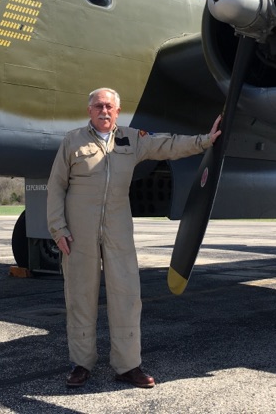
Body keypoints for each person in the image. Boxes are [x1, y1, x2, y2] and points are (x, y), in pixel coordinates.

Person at [47, 87, 221, 389]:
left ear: (118, 111)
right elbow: (56, 187)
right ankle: (81, 364)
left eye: (109, 106)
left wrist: (204, 141)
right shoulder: (72, 141)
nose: (104, 111)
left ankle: (128, 366)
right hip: (78, 234)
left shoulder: (131, 139)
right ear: (89, 111)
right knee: (80, 299)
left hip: (118, 231)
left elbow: (166, 145)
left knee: (126, 297)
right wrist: (58, 229)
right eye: (98, 106)